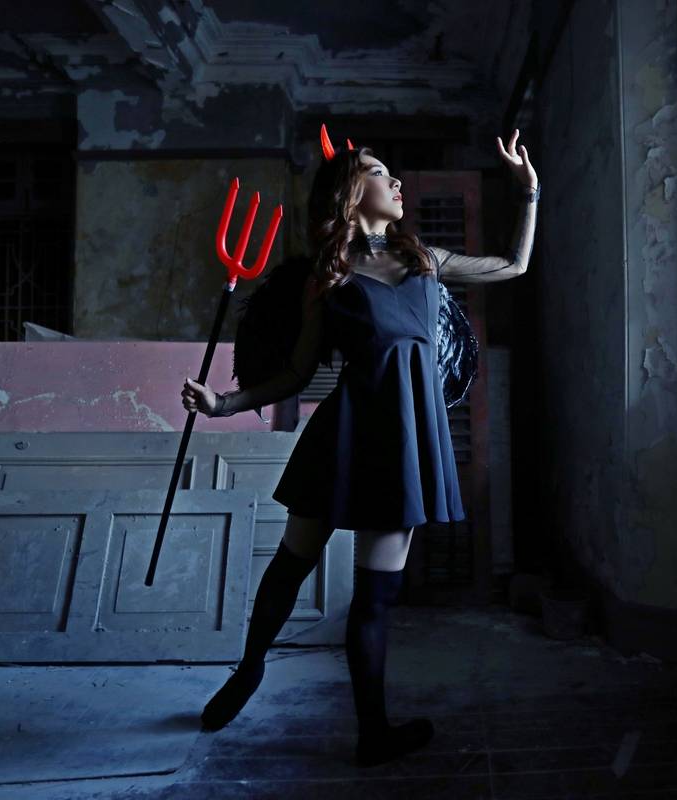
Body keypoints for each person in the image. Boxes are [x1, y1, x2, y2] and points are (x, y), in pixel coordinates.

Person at [181, 126, 539, 767]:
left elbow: (514, 266)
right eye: (379, 171)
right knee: (291, 563)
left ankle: (373, 733)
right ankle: (251, 667)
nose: (396, 181)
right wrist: (222, 404)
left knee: (375, 597)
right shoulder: (330, 277)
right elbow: (296, 373)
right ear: (350, 192)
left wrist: (529, 193)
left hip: (407, 444)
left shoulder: (426, 261)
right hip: (344, 437)